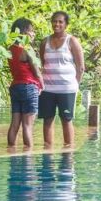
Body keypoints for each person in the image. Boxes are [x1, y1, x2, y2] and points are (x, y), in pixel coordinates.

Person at [39, 11, 84, 147]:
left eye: (60, 22)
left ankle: (68, 151)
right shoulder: (44, 42)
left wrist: (75, 84)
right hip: (47, 89)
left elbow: (81, 67)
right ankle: (47, 151)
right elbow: (43, 63)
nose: (57, 24)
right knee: (47, 120)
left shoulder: (72, 41)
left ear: (66, 24)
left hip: (67, 89)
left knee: (66, 119)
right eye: (54, 21)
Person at [8, 18, 44, 148]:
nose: (33, 34)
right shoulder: (28, 50)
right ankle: (28, 156)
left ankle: (11, 150)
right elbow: (37, 73)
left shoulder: (10, 49)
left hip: (15, 87)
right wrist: (42, 85)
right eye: (31, 31)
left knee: (14, 124)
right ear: (23, 33)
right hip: (29, 87)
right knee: (27, 125)